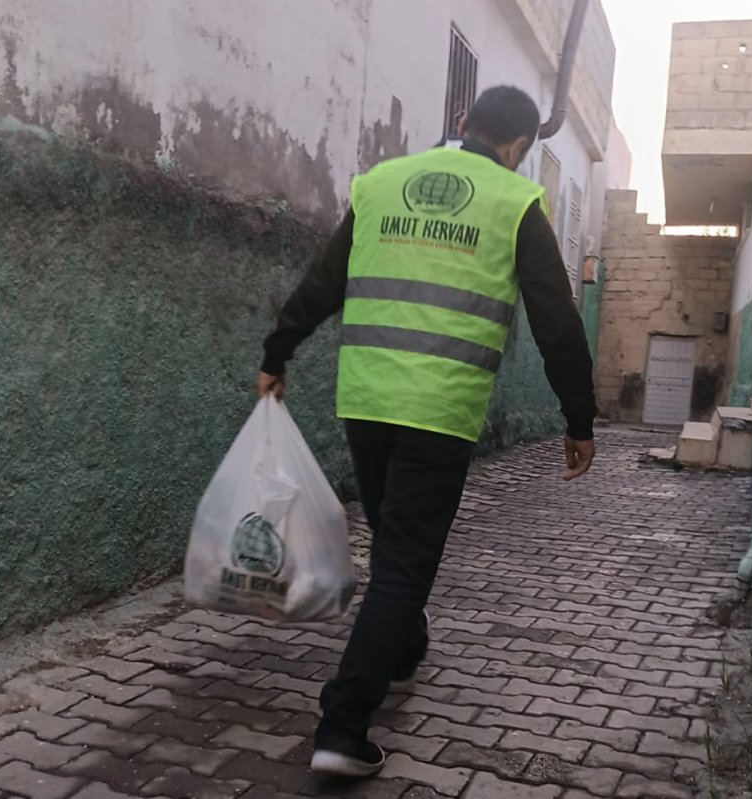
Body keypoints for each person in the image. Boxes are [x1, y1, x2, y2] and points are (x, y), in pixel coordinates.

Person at [256, 85, 598, 777]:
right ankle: (343, 726)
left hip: (366, 398)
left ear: (464, 123)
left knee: (394, 542)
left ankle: (405, 648)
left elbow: (324, 281)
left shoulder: (380, 184)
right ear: (519, 147)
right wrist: (579, 417)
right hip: (439, 410)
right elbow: (557, 322)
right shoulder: (516, 203)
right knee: (405, 563)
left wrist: (277, 352)